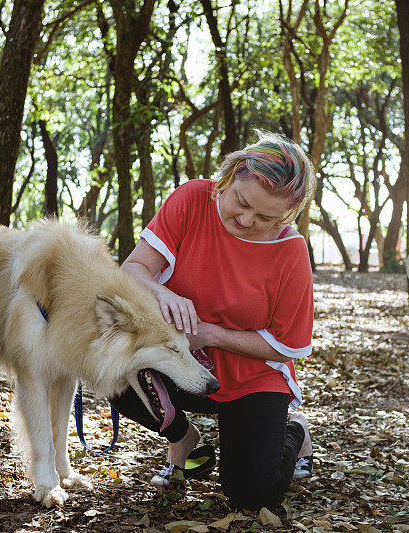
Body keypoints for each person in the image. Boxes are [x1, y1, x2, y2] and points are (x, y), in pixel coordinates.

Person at [112, 131, 315, 511]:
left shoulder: (290, 251)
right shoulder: (191, 199)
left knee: (252, 494)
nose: (246, 218)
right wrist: (163, 293)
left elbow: (289, 345)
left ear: (287, 216)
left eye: (265, 217)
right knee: (112, 370)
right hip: (181, 366)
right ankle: (181, 437)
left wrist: (213, 335)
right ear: (232, 174)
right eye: (242, 202)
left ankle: (295, 432)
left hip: (251, 380)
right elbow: (134, 269)